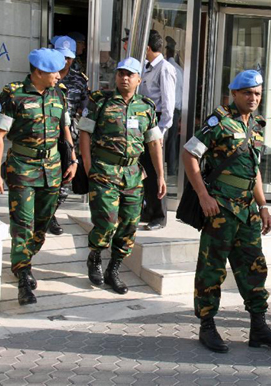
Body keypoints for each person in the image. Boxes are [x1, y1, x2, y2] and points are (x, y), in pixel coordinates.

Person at [182, 69, 271, 353]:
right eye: (247, 93)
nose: (253, 98)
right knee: (212, 269)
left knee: (255, 267)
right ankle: (207, 326)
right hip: (221, 209)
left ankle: (259, 327)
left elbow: (253, 170)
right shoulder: (218, 121)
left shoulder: (254, 125)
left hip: (248, 211)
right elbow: (189, 154)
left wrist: (264, 205)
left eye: (257, 93)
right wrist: (203, 195)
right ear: (234, 94)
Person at [0, 48, 78, 306]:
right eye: (54, 72)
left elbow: (64, 129)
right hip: (22, 168)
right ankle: (24, 276)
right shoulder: (13, 95)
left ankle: (24, 259)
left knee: (41, 224)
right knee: (23, 224)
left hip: (52, 169)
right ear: (38, 72)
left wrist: (71, 159)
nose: (59, 77)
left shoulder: (59, 94)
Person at [78, 57, 166, 295]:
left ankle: (113, 269)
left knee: (129, 224)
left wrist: (160, 175)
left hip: (133, 175)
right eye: (121, 74)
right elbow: (84, 133)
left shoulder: (146, 107)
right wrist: (88, 166)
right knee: (106, 222)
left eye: (130, 74)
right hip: (104, 171)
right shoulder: (100, 101)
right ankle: (95, 255)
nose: (124, 78)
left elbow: (154, 143)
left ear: (139, 79)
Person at [48, 36, 90, 235]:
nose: (64, 61)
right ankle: (41, 215)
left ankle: (50, 216)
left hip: (67, 136)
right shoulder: (44, 74)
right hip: (44, 134)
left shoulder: (79, 80)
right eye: (61, 55)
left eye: (68, 57)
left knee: (65, 181)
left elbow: (85, 109)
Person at [139, 30, 176, 231]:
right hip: (146, 123)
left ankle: (160, 216)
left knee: (157, 172)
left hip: (158, 125)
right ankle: (149, 209)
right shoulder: (147, 68)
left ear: (147, 47)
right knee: (146, 170)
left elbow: (168, 105)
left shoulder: (164, 69)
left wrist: (160, 132)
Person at [165, 36, 183, 177]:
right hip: (176, 109)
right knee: (171, 141)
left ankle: (170, 169)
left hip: (169, 109)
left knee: (167, 142)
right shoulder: (179, 70)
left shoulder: (168, 68)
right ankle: (171, 169)